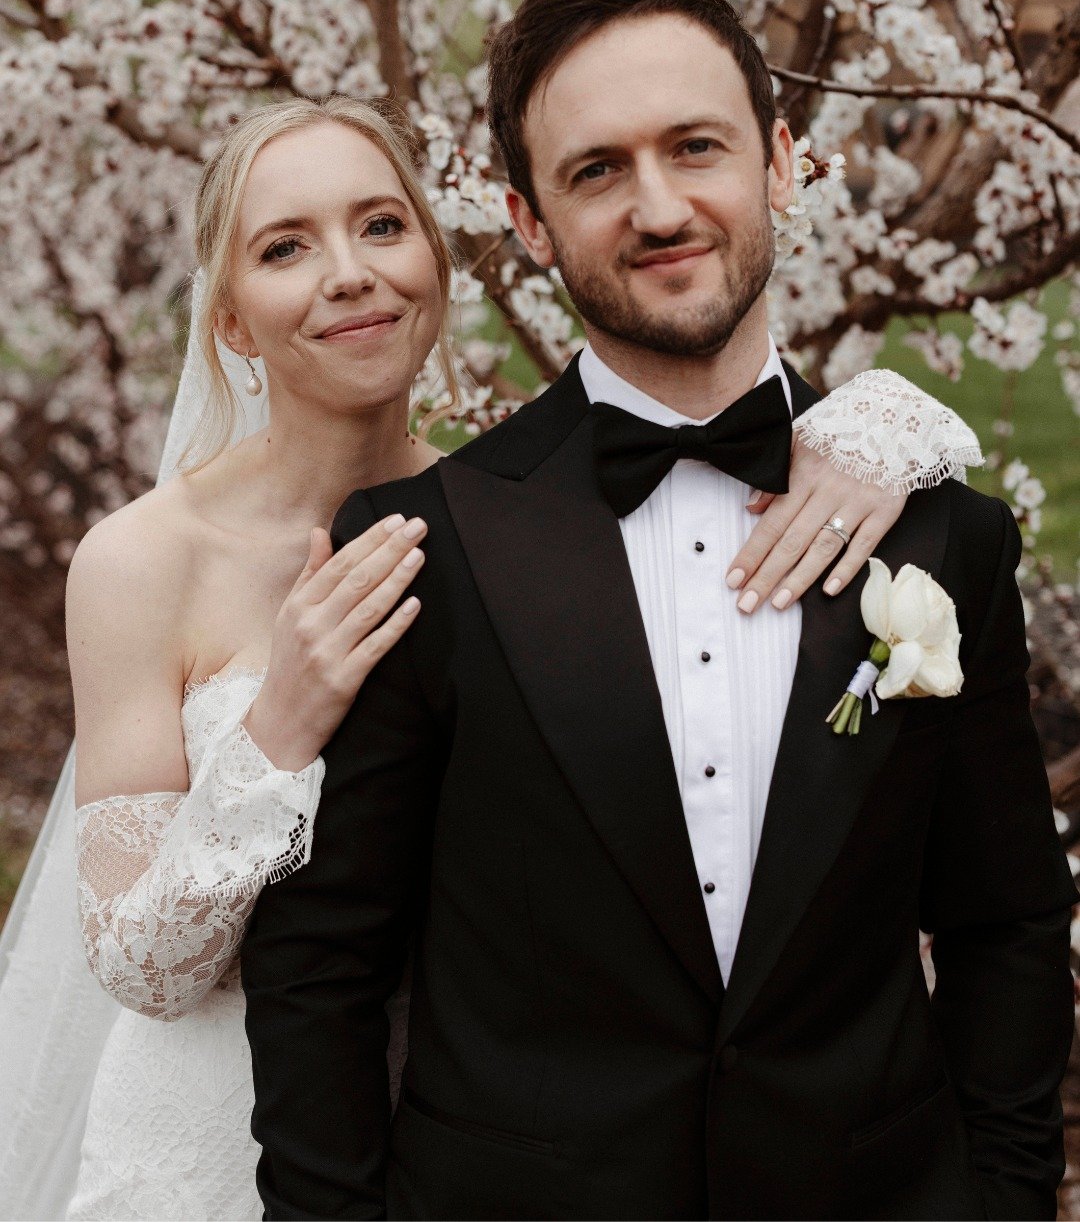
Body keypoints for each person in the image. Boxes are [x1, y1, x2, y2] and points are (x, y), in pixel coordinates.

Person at [0, 88, 966, 1221]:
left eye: (381, 225)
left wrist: (894, 424)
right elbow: (136, 967)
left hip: (469, 1136)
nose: (350, 272)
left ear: (438, 262)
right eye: (285, 248)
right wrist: (279, 728)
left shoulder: (504, 519)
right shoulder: (142, 562)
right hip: (212, 1143)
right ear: (229, 319)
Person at [242, 0, 1078, 1222]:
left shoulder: (941, 536)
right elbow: (320, 970)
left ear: (782, 164)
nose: (658, 205)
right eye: (596, 171)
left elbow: (1007, 921)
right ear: (529, 224)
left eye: (696, 147)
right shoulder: (423, 544)